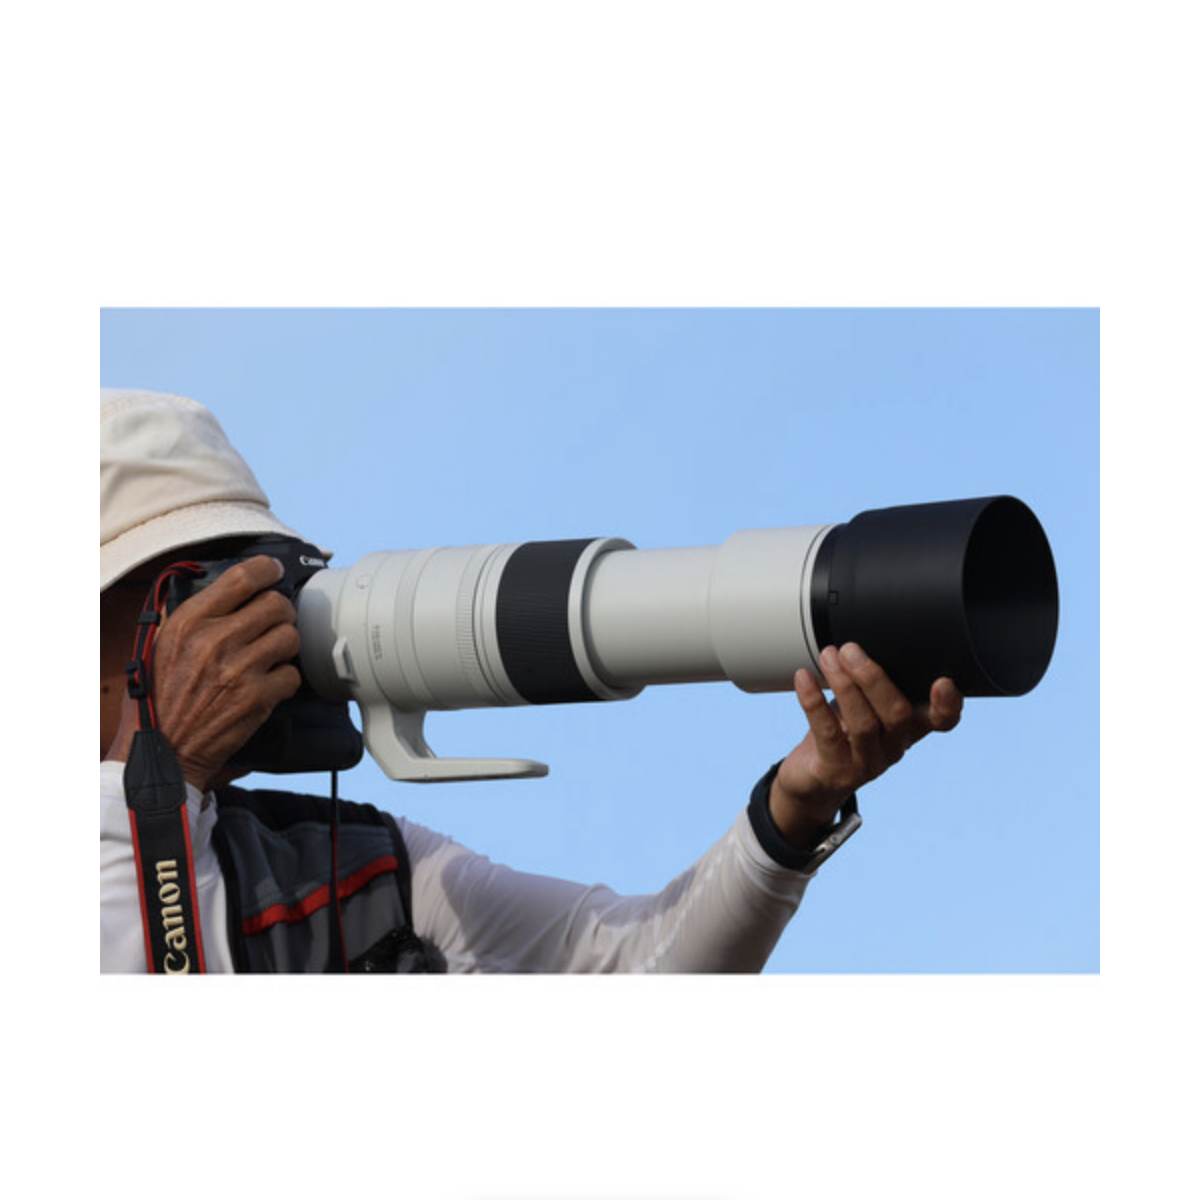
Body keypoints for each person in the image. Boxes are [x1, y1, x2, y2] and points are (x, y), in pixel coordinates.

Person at [100, 389, 964, 973]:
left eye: (253, 574)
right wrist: (150, 784)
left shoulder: (357, 870)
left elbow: (633, 967)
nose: (254, 619)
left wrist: (791, 812)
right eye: (194, 588)